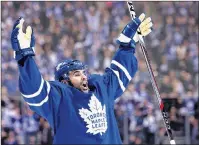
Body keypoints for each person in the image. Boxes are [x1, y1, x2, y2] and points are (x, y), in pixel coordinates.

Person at [10, 12, 153, 144]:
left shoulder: (100, 88)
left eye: (83, 72)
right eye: (76, 74)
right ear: (65, 81)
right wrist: (25, 55)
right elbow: (34, 90)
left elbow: (120, 72)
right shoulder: (59, 98)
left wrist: (127, 44)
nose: (84, 76)